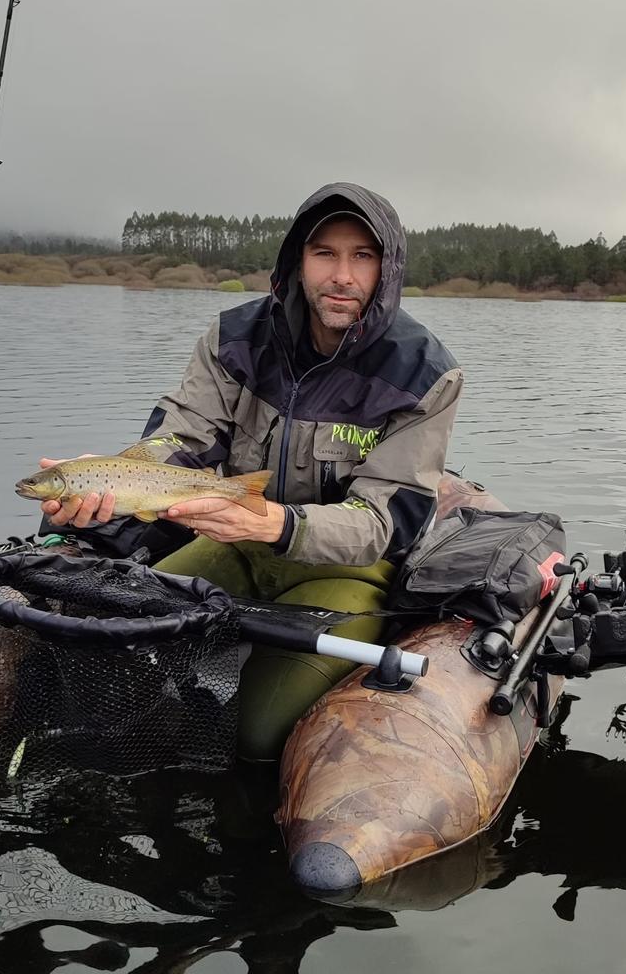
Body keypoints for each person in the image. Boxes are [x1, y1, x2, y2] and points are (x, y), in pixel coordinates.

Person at [37, 183, 463, 760]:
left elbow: (386, 522)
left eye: (362, 256)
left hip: (349, 572)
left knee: (258, 733)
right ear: (297, 262)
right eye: (325, 254)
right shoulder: (233, 338)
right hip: (230, 544)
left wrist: (282, 526)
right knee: (114, 636)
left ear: (386, 270)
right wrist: (110, 476)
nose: (342, 275)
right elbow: (180, 438)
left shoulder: (423, 373)